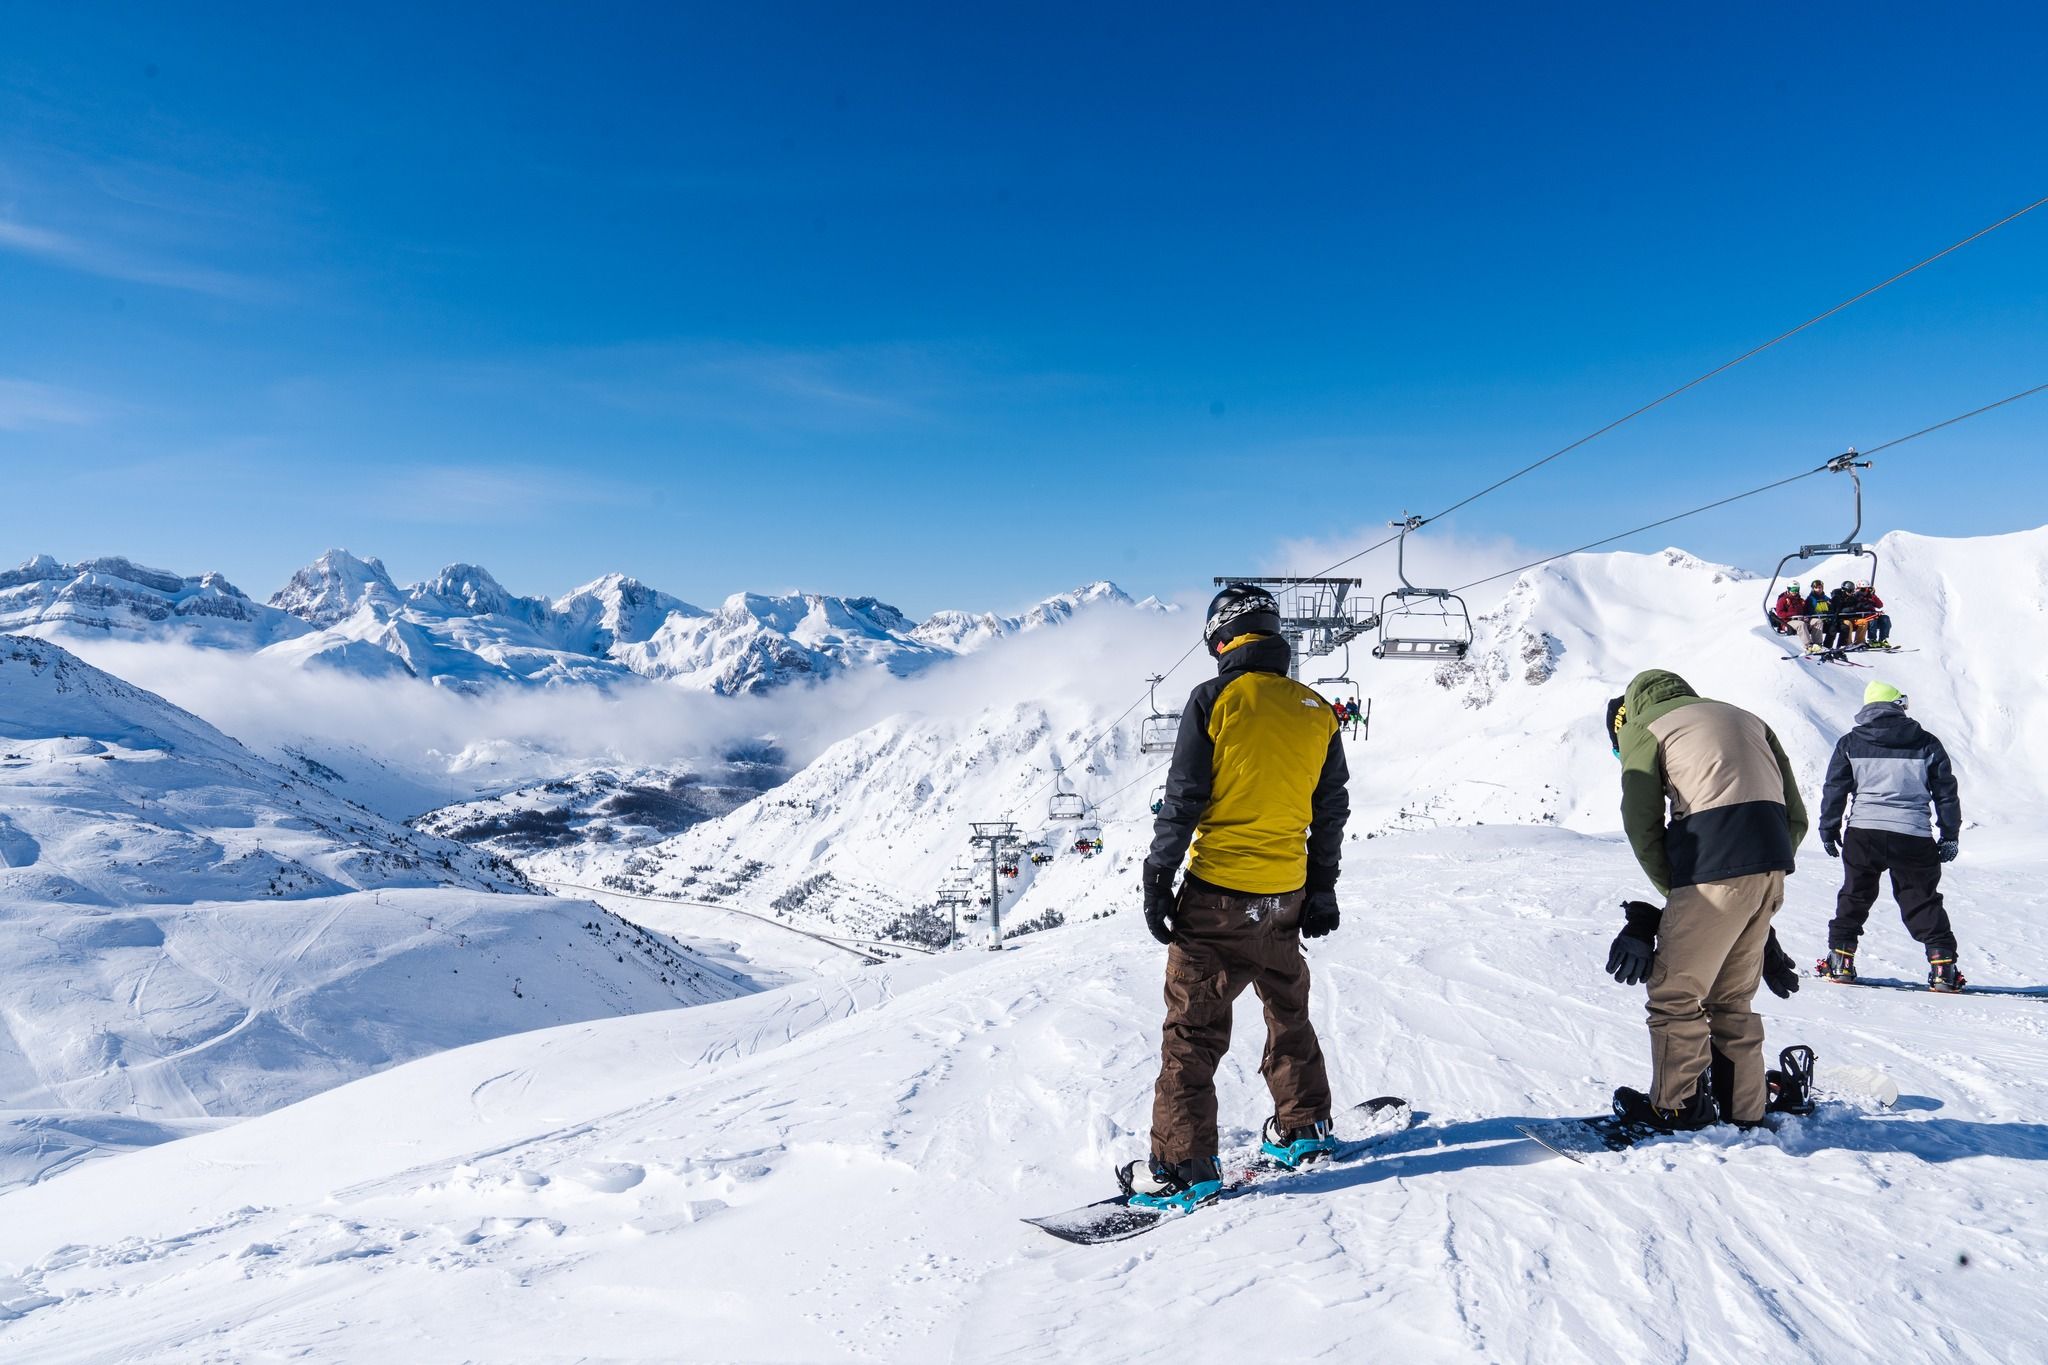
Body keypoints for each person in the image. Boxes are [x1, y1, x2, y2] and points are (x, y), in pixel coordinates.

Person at [1123, 582, 1350, 1210]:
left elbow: (1185, 797)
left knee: (1193, 1032)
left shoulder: (1214, 698)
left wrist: (1157, 876)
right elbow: (1330, 809)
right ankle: (1304, 1127)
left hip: (1218, 895)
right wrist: (1322, 889)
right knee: (1288, 1010)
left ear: (1221, 640)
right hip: (1286, 897)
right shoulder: (1315, 708)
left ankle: (1183, 1166)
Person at [1607, 670, 1807, 1132]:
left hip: (1710, 869)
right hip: (1772, 865)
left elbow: (1641, 821)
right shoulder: (1749, 718)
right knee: (1732, 999)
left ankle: (1676, 1107)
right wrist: (1761, 867)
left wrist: (1680, 891)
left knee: (1675, 994)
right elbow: (1795, 815)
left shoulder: (1643, 725)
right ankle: (1744, 1110)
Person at [1816, 681, 1964, 991]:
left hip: (1864, 832)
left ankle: (1841, 960)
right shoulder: (1926, 743)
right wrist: (1949, 834)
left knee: (1855, 894)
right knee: (1922, 900)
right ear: (1898, 705)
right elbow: (1945, 793)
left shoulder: (1850, 743)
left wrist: (1829, 828)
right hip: (1912, 834)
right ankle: (1943, 968)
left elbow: (1835, 789)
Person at [1771, 582, 1819, 652]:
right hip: (1787, 622)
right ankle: (1808, 645)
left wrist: (1806, 616)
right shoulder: (1783, 600)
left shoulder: (1800, 600)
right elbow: (1780, 613)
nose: (1795, 592)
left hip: (1801, 619)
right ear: (1789, 589)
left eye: (1796, 589)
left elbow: (1805, 611)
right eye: (1793, 589)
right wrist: (1792, 614)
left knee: (1817, 621)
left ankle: (1818, 644)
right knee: (1801, 624)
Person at [1828, 580, 1867, 648]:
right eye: (1849, 591)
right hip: (1841, 619)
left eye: (1852, 591)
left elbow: (1858, 606)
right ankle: (1848, 643)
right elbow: (1836, 610)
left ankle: (1859, 642)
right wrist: (1848, 610)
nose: (1851, 593)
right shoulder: (1837, 597)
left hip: (1851, 617)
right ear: (1844, 590)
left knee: (1863, 622)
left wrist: (1860, 605)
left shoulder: (1852, 597)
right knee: (1848, 624)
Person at [1854, 583, 1893, 647]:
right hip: (1863, 617)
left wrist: (1873, 595)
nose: (1864, 591)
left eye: (1866, 589)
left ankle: (1882, 639)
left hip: (1872, 615)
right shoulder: (1856, 596)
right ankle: (1872, 639)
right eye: (1862, 589)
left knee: (1885, 618)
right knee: (1873, 620)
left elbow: (1880, 605)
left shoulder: (1870, 596)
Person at [1804, 579, 1837, 650]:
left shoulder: (1826, 598)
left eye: (1820, 588)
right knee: (1819, 623)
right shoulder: (1811, 599)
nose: (1818, 589)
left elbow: (1832, 609)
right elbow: (1810, 611)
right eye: (1816, 588)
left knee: (1833, 628)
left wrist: (1829, 613)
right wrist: (1822, 613)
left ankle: (1827, 647)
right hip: (1815, 620)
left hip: (1825, 620)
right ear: (1813, 589)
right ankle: (1817, 644)